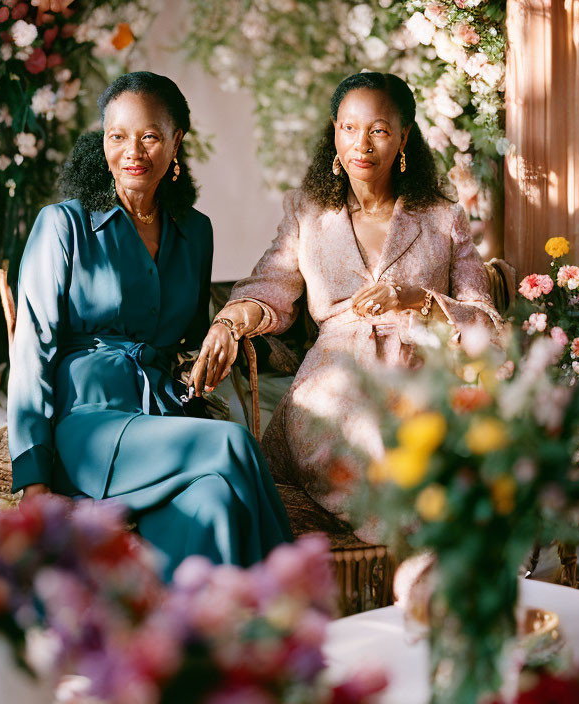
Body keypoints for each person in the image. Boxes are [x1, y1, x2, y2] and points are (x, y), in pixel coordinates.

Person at [190, 72, 502, 542]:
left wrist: (417, 299)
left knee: (425, 440)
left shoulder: (442, 216)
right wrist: (228, 323)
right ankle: (402, 558)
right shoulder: (308, 212)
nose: (362, 143)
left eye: (378, 129)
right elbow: (269, 287)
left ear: (404, 138)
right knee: (375, 438)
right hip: (334, 384)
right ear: (333, 131)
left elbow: (486, 323)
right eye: (349, 128)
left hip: (421, 374)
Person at [7, 71, 291, 577]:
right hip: (88, 428)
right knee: (233, 443)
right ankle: (294, 610)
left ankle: (206, 643)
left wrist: (206, 360)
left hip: (164, 421)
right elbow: (31, 353)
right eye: (117, 136)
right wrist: (32, 476)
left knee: (215, 505)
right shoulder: (63, 225)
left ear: (177, 141)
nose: (132, 151)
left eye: (150, 136)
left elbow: (184, 343)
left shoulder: (195, 232)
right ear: (102, 141)